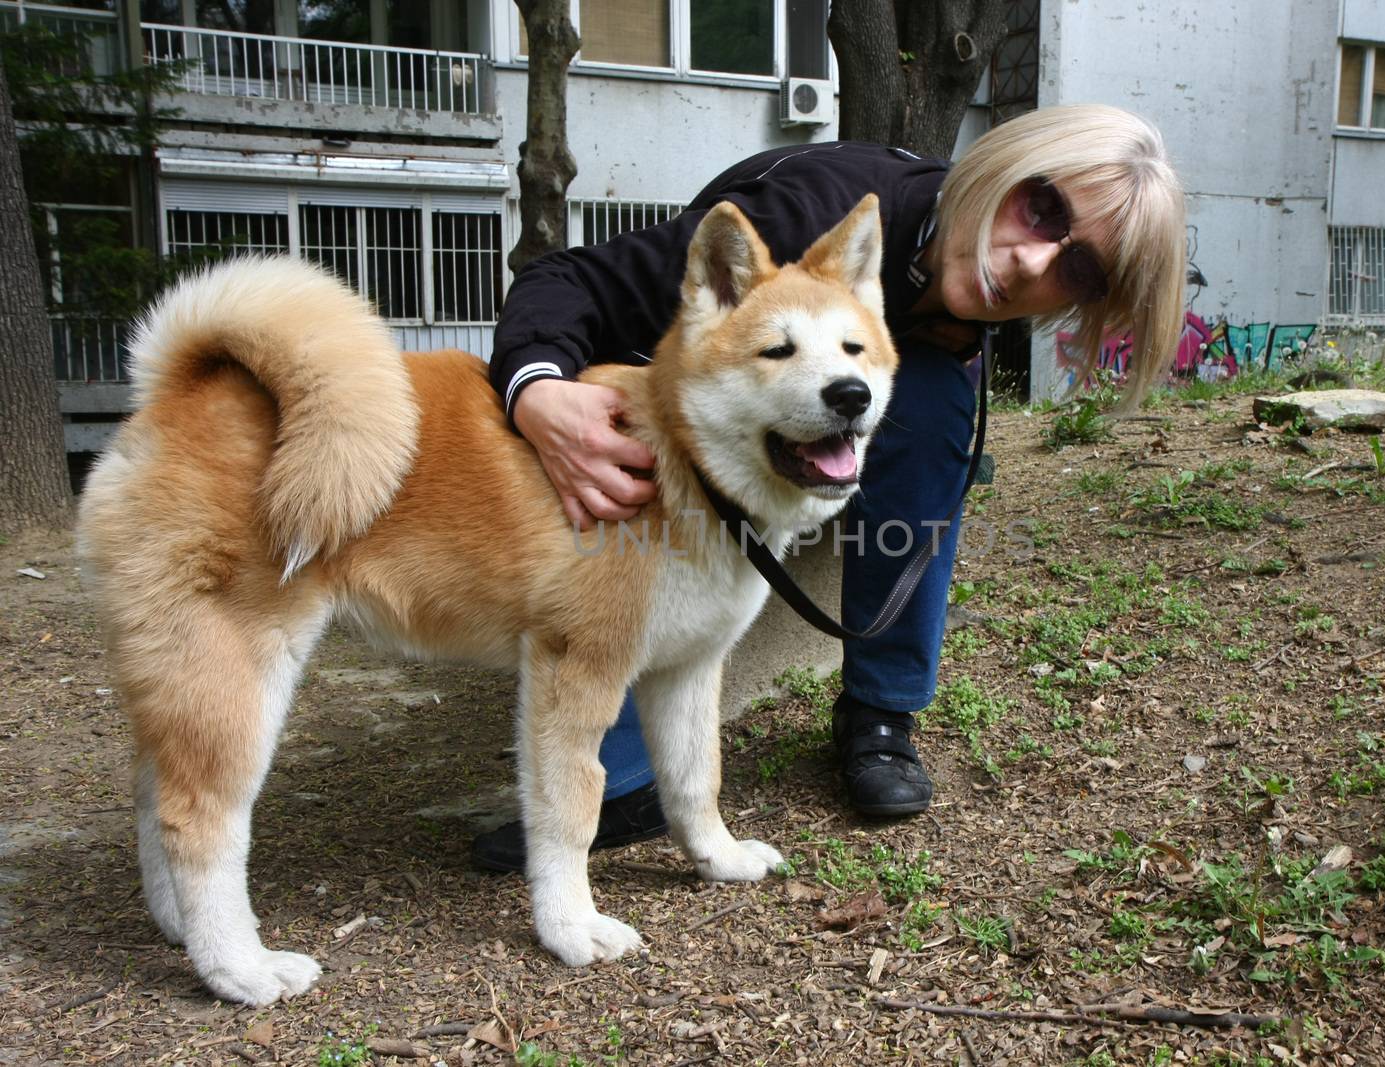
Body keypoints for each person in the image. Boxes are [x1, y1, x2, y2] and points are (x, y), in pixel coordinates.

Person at [471, 104, 1187, 872]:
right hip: (662, 404)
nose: (1034, 265)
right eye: (1042, 209)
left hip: (789, 446)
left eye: (1078, 269)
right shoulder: (799, 214)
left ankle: (881, 711)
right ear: (1003, 166)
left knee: (939, 407)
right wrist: (537, 390)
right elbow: (568, 277)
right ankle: (627, 772)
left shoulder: (961, 294)